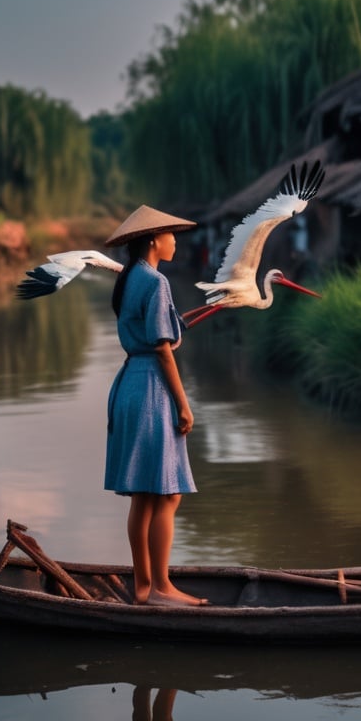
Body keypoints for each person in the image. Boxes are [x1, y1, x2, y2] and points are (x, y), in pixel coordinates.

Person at [104, 204, 205, 606]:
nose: (175, 241)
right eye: (169, 234)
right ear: (152, 240)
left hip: (130, 384)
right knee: (166, 495)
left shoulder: (130, 278)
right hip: (151, 389)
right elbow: (163, 350)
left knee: (145, 495)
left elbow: (154, 336)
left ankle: (143, 585)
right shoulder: (156, 281)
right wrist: (183, 404)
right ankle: (162, 588)